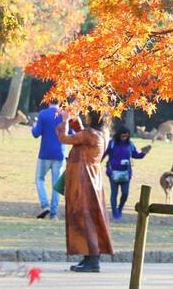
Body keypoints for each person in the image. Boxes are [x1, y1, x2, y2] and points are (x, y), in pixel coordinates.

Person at [56, 110, 113, 273]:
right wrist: (76, 120)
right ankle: (89, 256)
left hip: (83, 180)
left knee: (84, 216)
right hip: (93, 179)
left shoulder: (89, 134)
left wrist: (65, 121)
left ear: (92, 118)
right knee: (91, 217)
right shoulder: (102, 133)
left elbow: (64, 138)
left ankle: (92, 258)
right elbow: (82, 136)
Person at [103, 124, 151, 220]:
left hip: (126, 173)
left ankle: (120, 208)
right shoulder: (111, 143)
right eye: (123, 136)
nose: (125, 138)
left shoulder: (130, 144)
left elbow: (135, 155)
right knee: (114, 193)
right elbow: (103, 154)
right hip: (113, 172)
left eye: (127, 136)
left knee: (125, 194)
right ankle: (115, 213)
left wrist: (144, 153)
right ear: (119, 135)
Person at [31, 100, 65, 220]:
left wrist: (33, 126)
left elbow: (36, 133)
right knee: (57, 184)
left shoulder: (43, 114)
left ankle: (45, 205)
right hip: (59, 153)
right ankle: (54, 213)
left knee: (39, 178)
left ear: (48, 101)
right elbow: (70, 132)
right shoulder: (64, 114)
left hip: (45, 153)